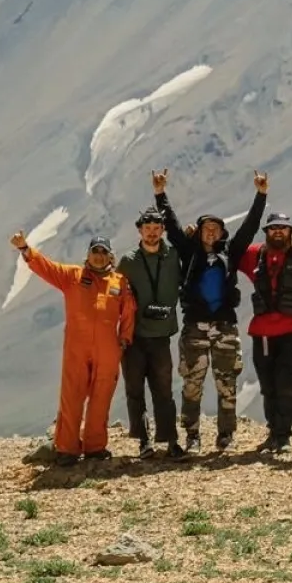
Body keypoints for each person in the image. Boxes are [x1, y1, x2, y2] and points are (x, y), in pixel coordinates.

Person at [156, 169, 266, 453]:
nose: (211, 232)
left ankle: (226, 435)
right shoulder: (188, 251)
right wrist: (160, 194)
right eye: (207, 227)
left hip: (225, 325)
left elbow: (251, 227)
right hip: (195, 325)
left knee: (226, 382)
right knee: (192, 383)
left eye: (216, 228)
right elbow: (170, 224)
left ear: (221, 233)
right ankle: (192, 436)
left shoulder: (231, 250)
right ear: (200, 229)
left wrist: (261, 195)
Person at [11, 231, 134, 464]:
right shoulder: (73, 276)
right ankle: (67, 448)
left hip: (108, 350)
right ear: (88, 254)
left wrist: (124, 339)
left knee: (101, 398)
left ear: (110, 257)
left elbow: (129, 312)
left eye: (103, 252)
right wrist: (25, 249)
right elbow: (47, 267)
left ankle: (95, 447)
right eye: (95, 251)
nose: (99, 256)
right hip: (77, 348)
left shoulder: (120, 283)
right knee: (72, 396)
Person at [237, 205, 292, 456]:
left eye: (283, 228)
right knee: (268, 385)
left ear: (291, 232)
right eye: (273, 228)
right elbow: (232, 248)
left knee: (286, 382)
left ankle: (285, 435)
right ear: (266, 232)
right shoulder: (255, 256)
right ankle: (273, 433)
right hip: (262, 333)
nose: (278, 232)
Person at [117, 197, 184, 460]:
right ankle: (143, 442)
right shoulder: (128, 261)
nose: (152, 232)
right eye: (148, 227)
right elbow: (115, 293)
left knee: (164, 391)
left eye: (157, 227)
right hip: (133, 337)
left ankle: (171, 442)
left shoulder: (173, 256)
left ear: (163, 230)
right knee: (135, 390)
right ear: (140, 230)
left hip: (161, 336)